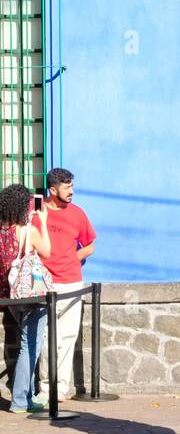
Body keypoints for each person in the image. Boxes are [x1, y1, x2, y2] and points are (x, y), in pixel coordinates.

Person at [42, 167, 97, 400]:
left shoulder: (78, 213)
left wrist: (71, 258)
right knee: (45, 338)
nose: (71, 191)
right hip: (43, 283)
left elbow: (90, 246)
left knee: (67, 336)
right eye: (67, 187)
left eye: (72, 186)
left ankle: (61, 388)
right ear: (53, 189)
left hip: (72, 282)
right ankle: (45, 387)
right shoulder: (37, 212)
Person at [0, 184, 52, 414]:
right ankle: (20, 400)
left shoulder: (2, 231)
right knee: (29, 346)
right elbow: (47, 251)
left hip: (10, 295)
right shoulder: (28, 230)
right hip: (30, 295)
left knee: (25, 343)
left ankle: (28, 397)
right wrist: (44, 222)